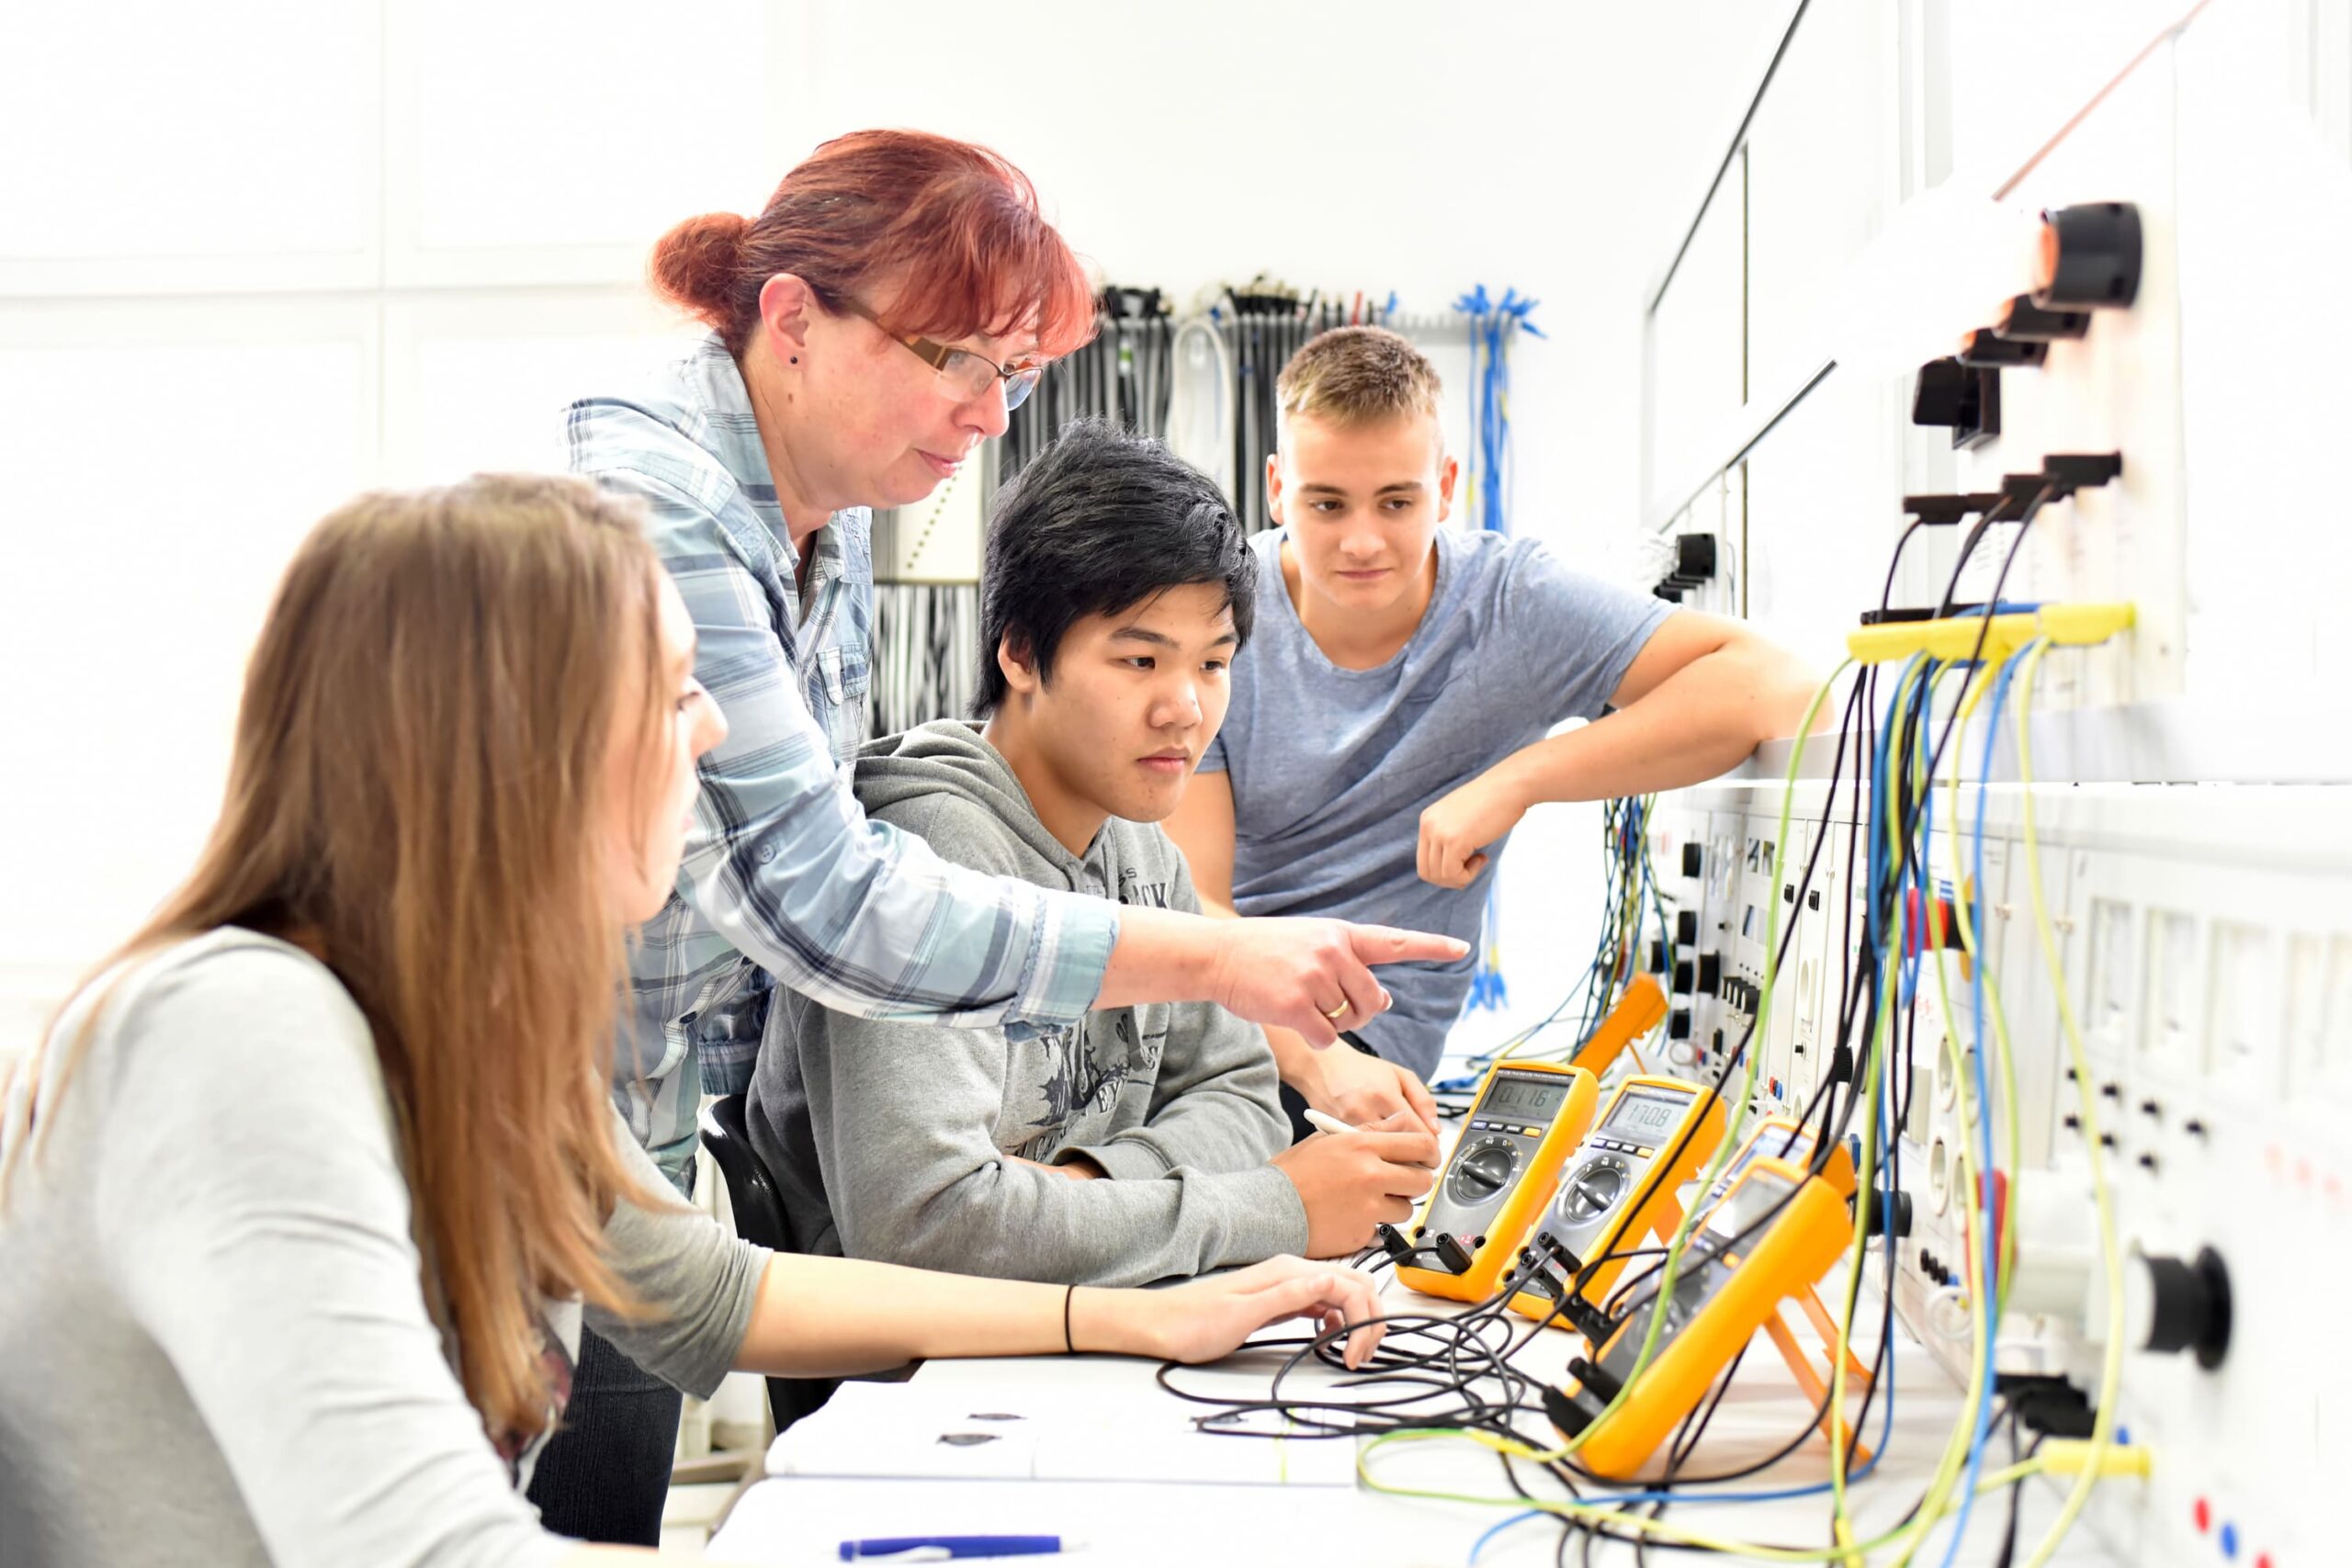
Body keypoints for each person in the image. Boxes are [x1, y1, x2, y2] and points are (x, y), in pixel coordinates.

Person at [0, 476, 1388, 1568]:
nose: (715, 731)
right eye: (671, 689)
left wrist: (1133, 1319)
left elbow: (723, 1295)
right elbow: (431, 1549)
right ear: (511, 741)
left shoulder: (475, 1045)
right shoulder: (245, 1032)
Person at [553, 131, 1457, 1538]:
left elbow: (721, 1279)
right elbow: (824, 900)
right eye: (954, 360)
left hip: (644, 1162)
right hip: (547, 1132)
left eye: (1012, 375)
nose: (987, 415)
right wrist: (1240, 1074)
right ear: (790, 322)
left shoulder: (832, 507)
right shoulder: (656, 499)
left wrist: (1118, 1201)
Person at [750, 423, 1439, 1289]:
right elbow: (928, 1230)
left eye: (1214, 663)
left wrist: (1081, 1188)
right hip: (923, 1384)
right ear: (1020, 653)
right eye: (1141, 659)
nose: (1185, 708)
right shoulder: (924, 857)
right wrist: (1273, 1207)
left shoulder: (1141, 842)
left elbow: (1245, 1096)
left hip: (1103, 1321)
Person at [1165, 326, 1819, 1131]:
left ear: (1446, 486)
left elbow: (1774, 684)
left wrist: (1520, 779)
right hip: (1230, 1014)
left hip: (1365, 1048)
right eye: (1326, 503)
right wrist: (1310, 1057)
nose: (1361, 539)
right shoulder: (1220, 619)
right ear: (1275, 488)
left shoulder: (1510, 604)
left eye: (1397, 502)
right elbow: (1193, 901)